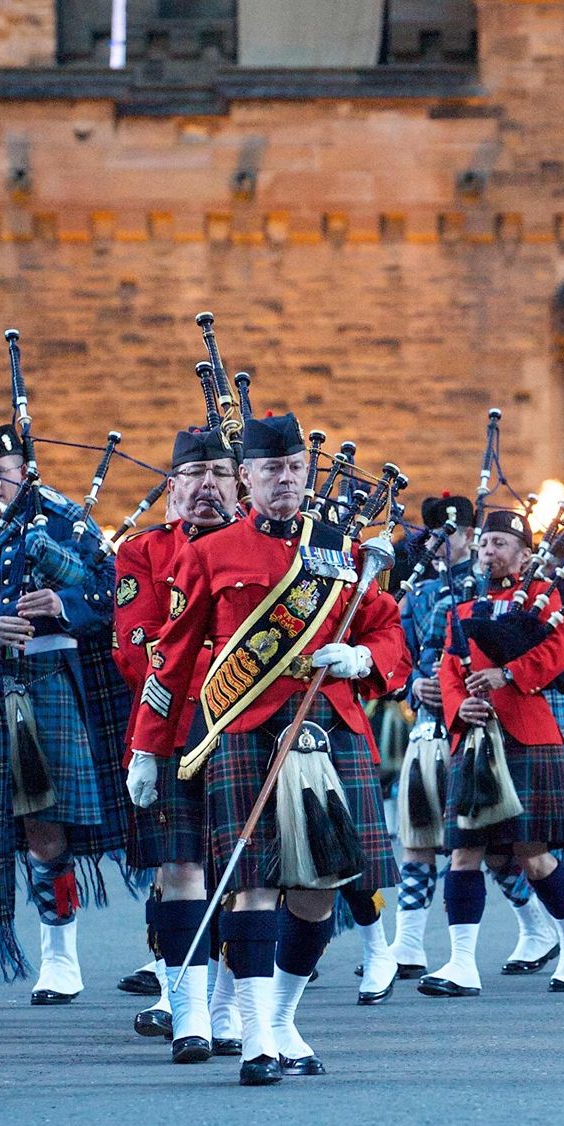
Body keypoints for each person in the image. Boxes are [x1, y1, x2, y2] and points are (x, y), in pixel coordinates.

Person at [127, 412, 406, 1085]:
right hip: (243, 729)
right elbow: (173, 655)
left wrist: (361, 657)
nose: (284, 479)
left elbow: (390, 631)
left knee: (317, 894)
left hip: (328, 728)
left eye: (294, 469)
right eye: (270, 469)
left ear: (305, 475)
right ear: (245, 477)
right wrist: (147, 747)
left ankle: (281, 1019)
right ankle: (255, 1038)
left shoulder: (341, 550)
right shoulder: (210, 552)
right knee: (251, 888)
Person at [0, 423, 123, 1008]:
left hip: (48, 675)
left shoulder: (64, 519)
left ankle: (60, 956)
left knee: (44, 820)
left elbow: (115, 591)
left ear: (26, 468)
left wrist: (64, 603)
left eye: (2, 475)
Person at [421, 509, 564, 997]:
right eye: (484, 544)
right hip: (475, 738)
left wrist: (508, 675)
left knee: (532, 853)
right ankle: (461, 964)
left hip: (524, 733)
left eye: (500, 543)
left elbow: (557, 651)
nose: (488, 552)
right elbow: (448, 668)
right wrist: (460, 707)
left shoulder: (544, 597)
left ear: (523, 552)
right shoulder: (462, 606)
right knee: (464, 852)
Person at [116, 426, 240, 1062]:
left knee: (243, 874)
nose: (208, 486)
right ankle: (186, 1012)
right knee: (180, 868)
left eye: (221, 473)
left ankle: (226, 1008)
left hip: (249, 723)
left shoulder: (263, 550)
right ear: (175, 487)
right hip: (176, 723)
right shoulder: (143, 552)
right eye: (197, 476)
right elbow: (136, 648)